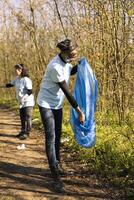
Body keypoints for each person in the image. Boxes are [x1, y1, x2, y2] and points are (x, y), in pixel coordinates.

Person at [37, 39, 85, 190]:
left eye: (76, 54)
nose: (74, 56)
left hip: (56, 104)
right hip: (46, 103)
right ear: (64, 52)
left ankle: (57, 163)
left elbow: (69, 71)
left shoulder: (66, 61)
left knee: (58, 135)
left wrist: (80, 66)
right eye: (72, 54)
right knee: (51, 137)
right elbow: (66, 90)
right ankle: (55, 177)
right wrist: (79, 112)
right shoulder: (55, 66)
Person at [6, 64, 35, 140]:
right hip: (21, 102)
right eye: (15, 70)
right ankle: (22, 131)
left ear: (22, 70)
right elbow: (10, 84)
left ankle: (27, 133)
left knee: (28, 117)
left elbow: (30, 91)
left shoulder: (26, 80)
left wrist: (24, 98)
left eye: (17, 70)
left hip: (28, 101)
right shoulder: (17, 79)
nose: (16, 71)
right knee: (22, 117)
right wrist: (5, 85)